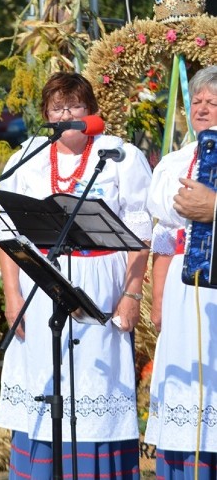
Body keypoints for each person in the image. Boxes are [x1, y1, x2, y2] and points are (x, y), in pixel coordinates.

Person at [0, 72, 152, 478]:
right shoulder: (29, 155)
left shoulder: (119, 155)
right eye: (57, 107)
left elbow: (142, 234)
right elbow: (6, 232)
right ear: (46, 114)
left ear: (90, 111)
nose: (65, 115)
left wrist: (132, 295)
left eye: (74, 106)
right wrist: (12, 296)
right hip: (41, 284)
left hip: (102, 288)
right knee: (45, 382)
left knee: (97, 386)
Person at [145, 65, 217, 478]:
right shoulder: (173, 162)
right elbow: (164, 238)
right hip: (180, 287)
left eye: (213, 102)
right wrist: (157, 302)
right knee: (185, 385)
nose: (202, 108)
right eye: (198, 102)